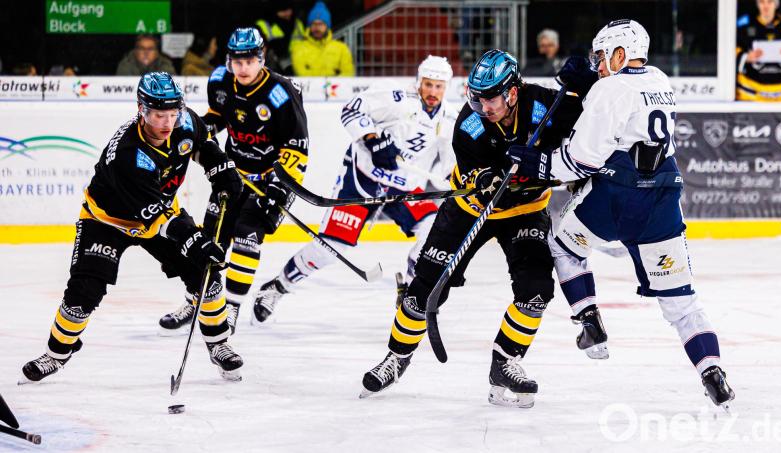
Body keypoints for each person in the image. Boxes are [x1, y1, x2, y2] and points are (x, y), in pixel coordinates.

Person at [508, 19, 736, 408]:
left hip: (617, 199)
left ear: (620, 54)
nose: (598, 64)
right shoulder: (661, 81)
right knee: (682, 304)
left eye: (602, 57)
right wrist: (590, 85)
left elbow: (579, 160)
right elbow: (626, 102)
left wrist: (536, 163)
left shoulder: (611, 88)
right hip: (662, 201)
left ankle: (589, 320)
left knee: (562, 247)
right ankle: (712, 372)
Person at [359, 50, 589, 408]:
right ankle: (397, 356)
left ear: (512, 93)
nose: (482, 107)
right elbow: (471, 166)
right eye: (476, 99)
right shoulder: (469, 123)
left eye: (490, 99)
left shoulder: (546, 104)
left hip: (525, 211)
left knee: (536, 292)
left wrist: (585, 85)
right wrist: (483, 178)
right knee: (425, 287)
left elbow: (592, 120)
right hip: (470, 210)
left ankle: (505, 362)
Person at [20, 72, 245, 383]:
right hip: (108, 221)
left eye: (172, 114)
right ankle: (57, 354)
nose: (167, 123)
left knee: (205, 277)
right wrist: (195, 239)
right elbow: (157, 217)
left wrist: (220, 168)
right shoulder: (128, 154)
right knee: (84, 292)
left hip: (161, 213)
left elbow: (202, 145)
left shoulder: (186, 121)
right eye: (158, 115)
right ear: (141, 110)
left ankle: (219, 344)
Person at [251, 55, 458, 323]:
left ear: (447, 87)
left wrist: (459, 181)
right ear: (419, 82)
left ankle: (411, 292)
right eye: (428, 84)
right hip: (362, 180)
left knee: (433, 231)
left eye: (438, 87)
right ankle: (277, 287)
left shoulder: (451, 119)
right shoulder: (395, 98)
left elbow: (450, 165)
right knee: (328, 248)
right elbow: (352, 109)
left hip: (404, 189)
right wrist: (372, 140)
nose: (432, 92)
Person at [157, 28, 309, 335]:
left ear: (261, 58)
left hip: (270, 181)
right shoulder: (219, 80)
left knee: (246, 239)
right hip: (233, 176)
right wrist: (197, 131)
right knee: (210, 241)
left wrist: (280, 188)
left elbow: (297, 144)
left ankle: (233, 308)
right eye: (237, 60)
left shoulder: (281, 92)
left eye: (249, 60)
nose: (243, 67)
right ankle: (195, 298)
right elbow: (219, 117)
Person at [736, 0, 781, 101]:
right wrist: (746, 57)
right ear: (757, 3)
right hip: (749, 95)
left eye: (770, 2)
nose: (766, 6)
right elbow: (727, 49)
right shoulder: (743, 25)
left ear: (776, 3)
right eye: (762, 2)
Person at [291, 1, 355, 76]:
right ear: (309, 26)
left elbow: (348, 73)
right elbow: (301, 74)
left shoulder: (341, 48)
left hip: (336, 87)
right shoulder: (299, 48)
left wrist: (330, 84)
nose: (317, 27)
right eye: (314, 24)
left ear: (327, 26)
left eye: (321, 24)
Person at [256, 0, 305, 75]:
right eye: (283, 11)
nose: (287, 13)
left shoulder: (298, 24)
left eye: (289, 10)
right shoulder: (263, 25)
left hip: (297, 70)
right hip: (270, 71)